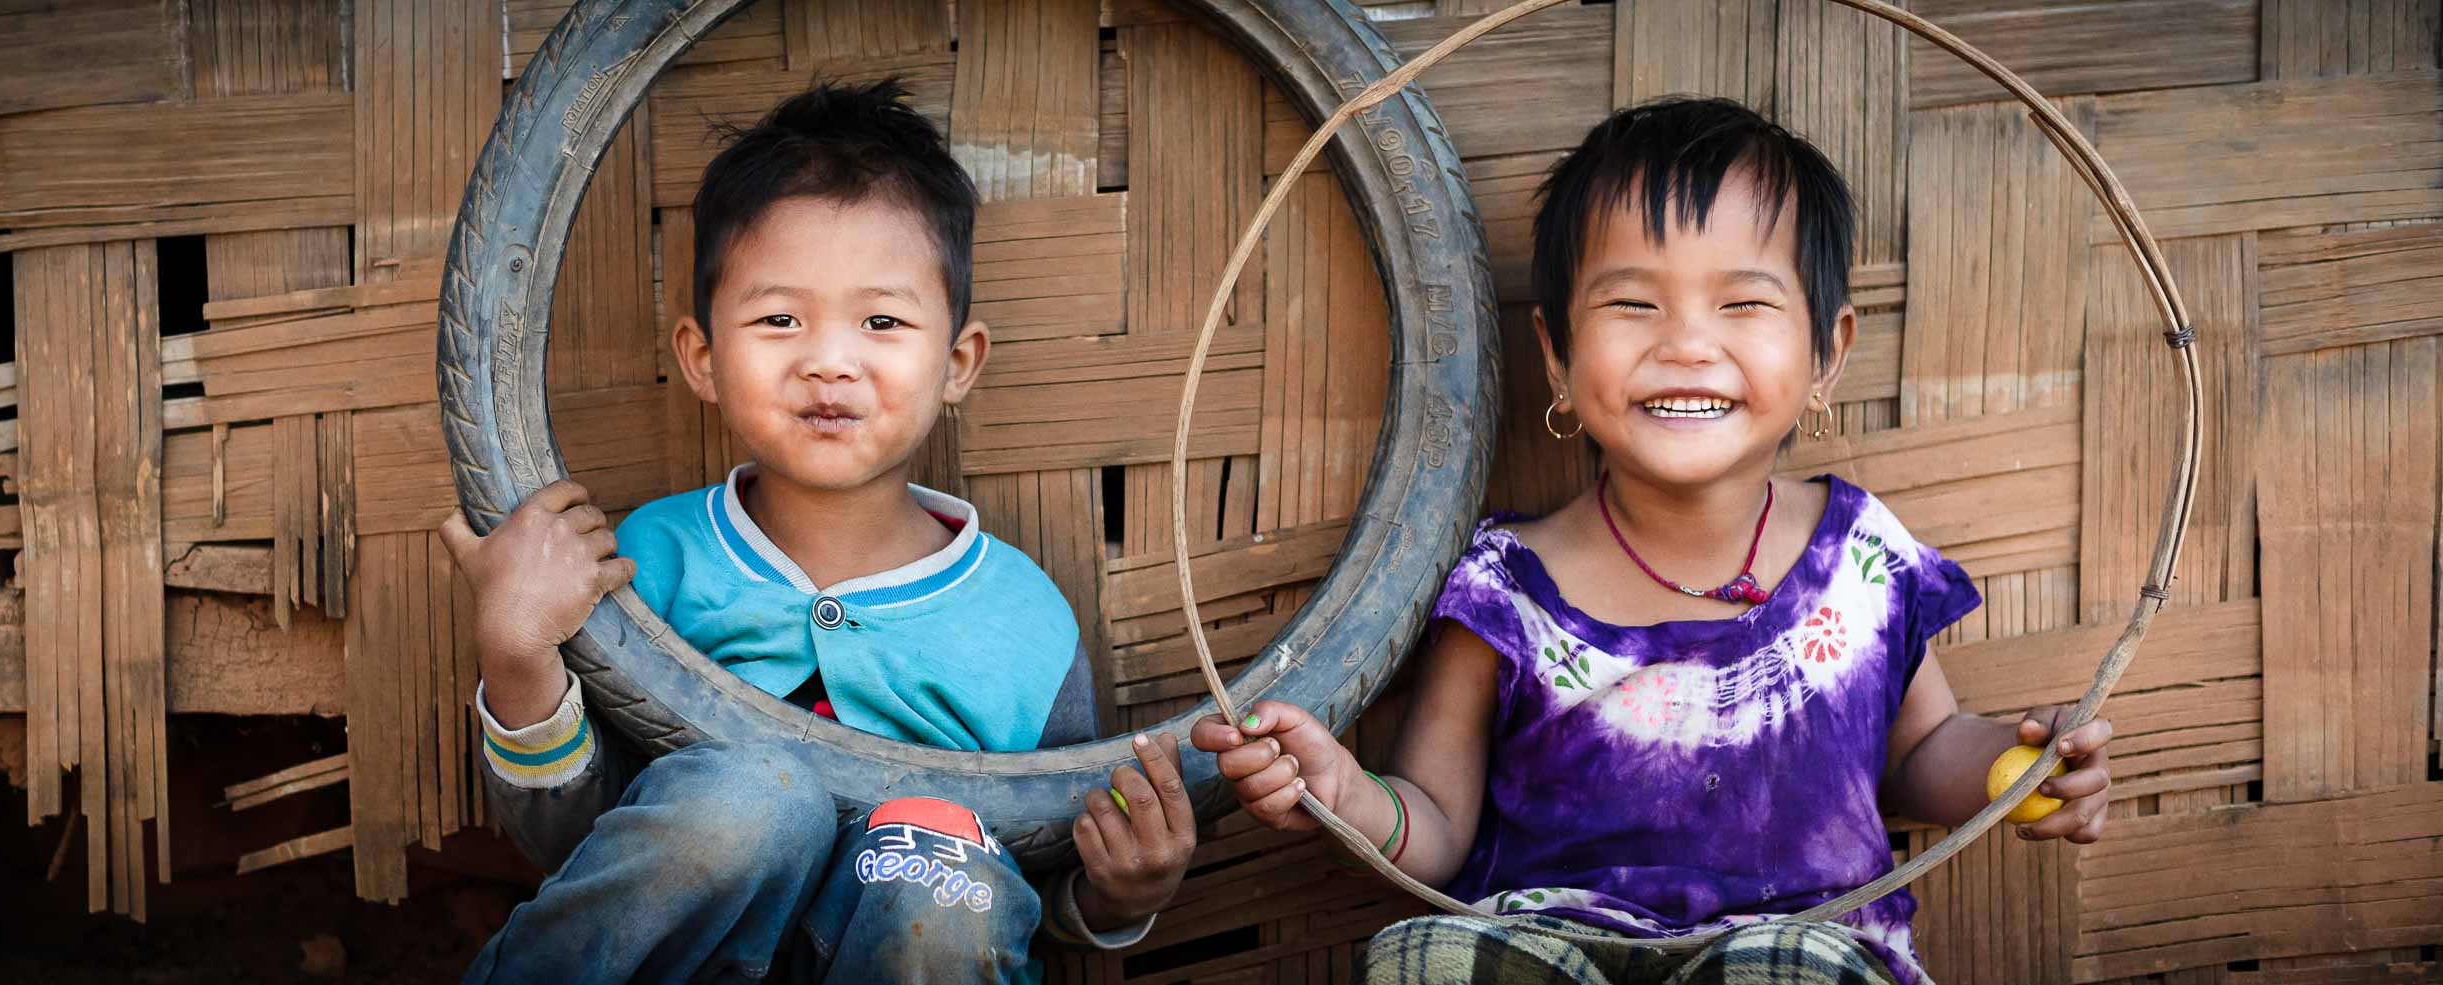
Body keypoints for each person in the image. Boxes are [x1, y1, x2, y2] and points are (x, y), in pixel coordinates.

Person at [1194, 97, 2116, 985]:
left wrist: (2015, 763)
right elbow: (1436, 824)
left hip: (1798, 946)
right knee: (1426, 958)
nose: (1686, 344)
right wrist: (1344, 791)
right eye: (1634, 304)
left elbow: (1920, 753)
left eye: (1743, 305)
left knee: (1787, 969)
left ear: (1828, 354)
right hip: (1550, 945)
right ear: (1556, 355)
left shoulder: (1858, 556)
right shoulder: (1508, 587)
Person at [440, 79, 1194, 985]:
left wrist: (1118, 895)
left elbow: (1040, 876)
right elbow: (580, 847)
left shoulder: (1025, 627)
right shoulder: (646, 563)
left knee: (943, 874)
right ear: (702, 358)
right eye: (779, 319)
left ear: (957, 363)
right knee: (752, 796)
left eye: (881, 321)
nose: (829, 360)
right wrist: (517, 653)